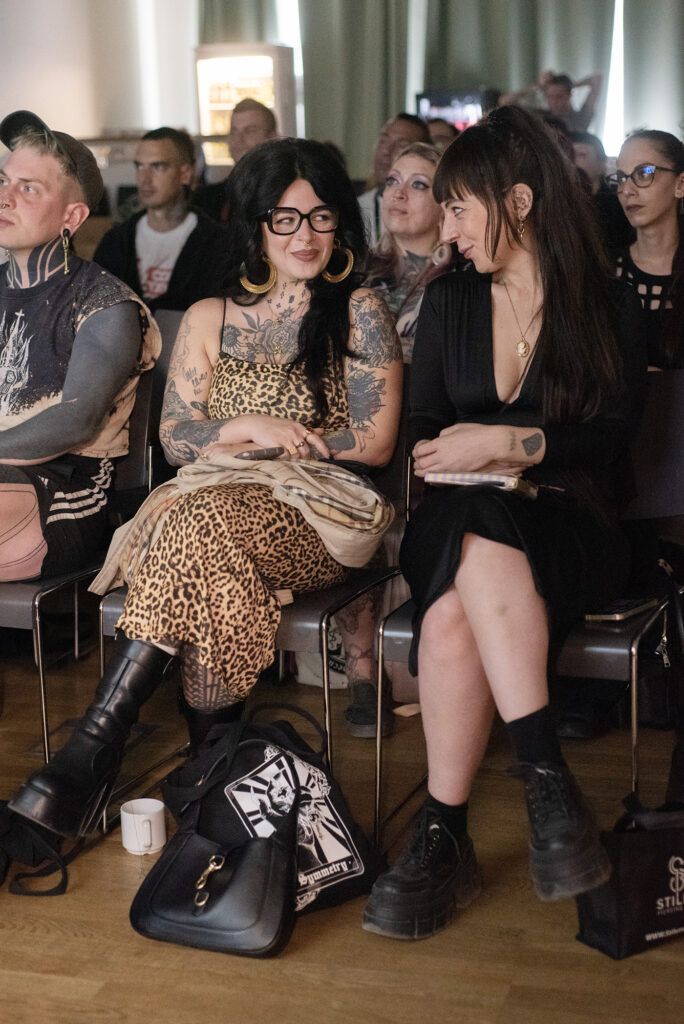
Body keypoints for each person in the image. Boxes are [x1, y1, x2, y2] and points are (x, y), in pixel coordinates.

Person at [9, 137, 403, 840]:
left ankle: (100, 748)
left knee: (196, 520)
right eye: (285, 218)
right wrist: (240, 427)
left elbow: (373, 441)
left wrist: (272, 439)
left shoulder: (360, 310)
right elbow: (175, 437)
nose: (305, 236)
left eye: (320, 218)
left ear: (340, 224)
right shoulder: (209, 316)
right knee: (206, 532)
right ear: (256, 225)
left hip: (318, 512)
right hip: (214, 508)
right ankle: (210, 766)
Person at [361, 106, 646, 941]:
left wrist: (508, 444)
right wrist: (465, 455)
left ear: (518, 201)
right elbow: (421, 436)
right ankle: (547, 782)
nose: (446, 229)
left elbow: (612, 437)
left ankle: (443, 835)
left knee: (450, 616)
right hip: (455, 512)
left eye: (458, 207)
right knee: (477, 522)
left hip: (571, 522)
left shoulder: (608, 304)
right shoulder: (450, 300)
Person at [0, 109, 159, 582]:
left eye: (29, 188)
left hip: (67, 492)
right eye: (4, 181)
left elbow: (75, 420)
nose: (5, 197)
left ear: (72, 217)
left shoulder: (106, 303)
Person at [93, 127, 227, 312]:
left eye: (158, 167)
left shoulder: (218, 244)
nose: (144, 179)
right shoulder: (115, 242)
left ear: (185, 174)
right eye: (139, 166)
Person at [365, 141, 457, 361]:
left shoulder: (462, 279)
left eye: (418, 184)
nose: (399, 193)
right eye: (392, 181)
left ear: (444, 204)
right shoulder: (357, 269)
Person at [611, 130, 684, 369]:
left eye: (643, 174)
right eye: (621, 178)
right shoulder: (605, 271)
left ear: (680, 184)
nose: (627, 190)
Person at [192, 99, 279, 223]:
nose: (238, 139)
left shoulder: (288, 193)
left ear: (273, 138)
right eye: (234, 131)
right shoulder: (206, 200)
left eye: (250, 130)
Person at [358, 114, 430, 247]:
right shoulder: (357, 209)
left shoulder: (428, 212)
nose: (387, 151)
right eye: (384, 141)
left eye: (402, 145)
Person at [568, 130, 632, 256]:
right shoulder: (562, 203)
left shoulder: (618, 204)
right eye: (569, 154)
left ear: (601, 165)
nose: (572, 161)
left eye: (581, 155)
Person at [500, 70, 603, 132]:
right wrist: (537, 86)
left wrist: (572, 85)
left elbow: (597, 79)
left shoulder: (581, 117)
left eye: (559, 97)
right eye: (549, 97)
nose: (553, 101)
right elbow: (505, 102)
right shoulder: (541, 116)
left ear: (569, 95)